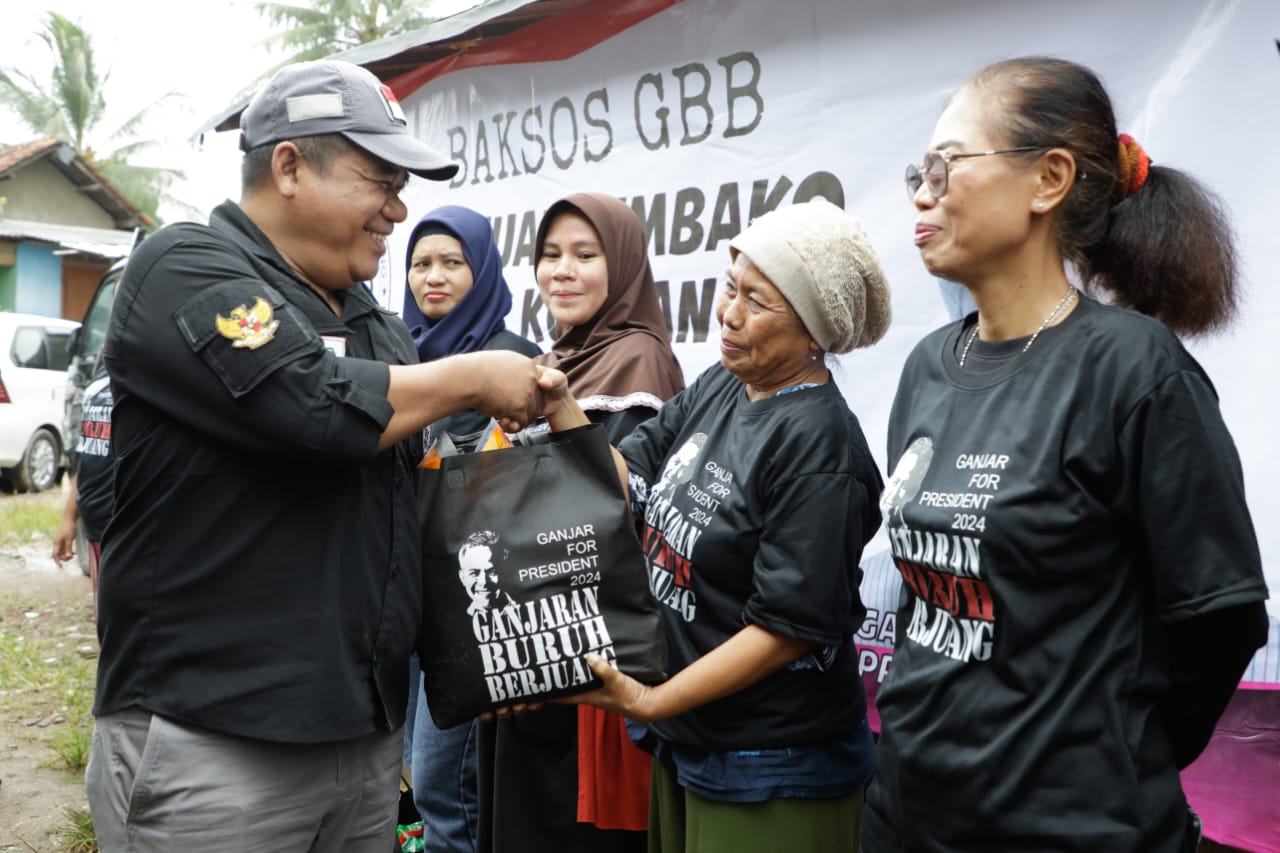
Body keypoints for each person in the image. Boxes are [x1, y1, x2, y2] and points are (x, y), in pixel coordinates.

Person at [85, 60, 544, 853]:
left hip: (364, 745)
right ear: (290, 165)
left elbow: (410, 518)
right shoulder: (184, 267)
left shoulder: (378, 324)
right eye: (380, 180)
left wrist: (488, 655)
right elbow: (314, 406)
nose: (398, 210)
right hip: (216, 746)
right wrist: (472, 376)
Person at [862, 56, 1270, 853]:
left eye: (947, 165)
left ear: (1048, 179)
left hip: (1068, 827)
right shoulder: (925, 368)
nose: (921, 190)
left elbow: (1218, 617)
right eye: (919, 169)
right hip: (907, 815)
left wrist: (1109, 752)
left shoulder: (1134, 369)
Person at [541, 197, 891, 853]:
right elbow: (632, 482)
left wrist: (652, 701)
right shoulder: (726, 384)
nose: (728, 312)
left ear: (815, 330)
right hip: (695, 741)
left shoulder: (819, 446)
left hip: (774, 765)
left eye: (757, 301)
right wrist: (559, 404)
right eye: (731, 286)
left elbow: (786, 628)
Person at [476, 192, 684, 853]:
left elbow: (609, 517)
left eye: (585, 255)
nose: (561, 271)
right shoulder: (555, 359)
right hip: (528, 647)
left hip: (581, 663)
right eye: (549, 255)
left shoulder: (638, 363)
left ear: (621, 265)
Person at [399, 203, 540, 852]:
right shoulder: (400, 360)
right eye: (420, 263)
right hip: (409, 612)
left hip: (474, 617)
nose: (434, 276)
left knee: (445, 793)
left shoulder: (512, 366)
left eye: (452, 262)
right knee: (418, 784)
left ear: (482, 271)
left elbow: (531, 509)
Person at [51, 363, 114, 618]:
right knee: (107, 625)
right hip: (96, 527)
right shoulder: (101, 377)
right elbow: (88, 453)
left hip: (130, 528)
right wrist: (69, 518)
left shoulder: (147, 378)